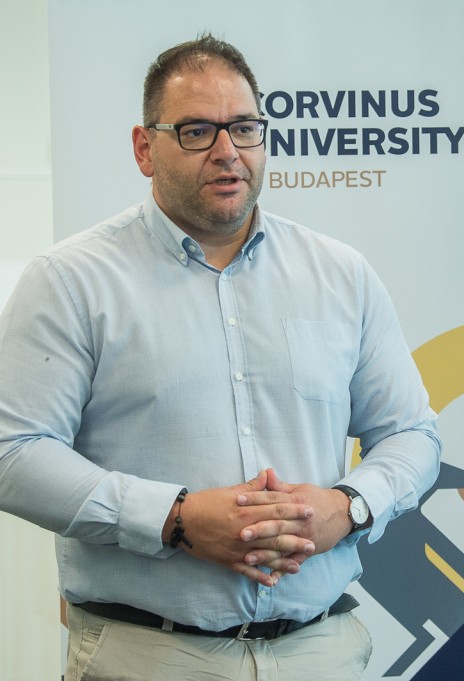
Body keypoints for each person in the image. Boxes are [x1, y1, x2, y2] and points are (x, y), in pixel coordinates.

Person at [0, 33, 440, 680]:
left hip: (320, 651)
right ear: (144, 148)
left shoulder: (341, 274)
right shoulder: (71, 281)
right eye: (197, 131)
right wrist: (172, 518)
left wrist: (348, 506)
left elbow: (413, 433)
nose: (227, 150)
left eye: (244, 127)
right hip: (148, 656)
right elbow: (13, 453)